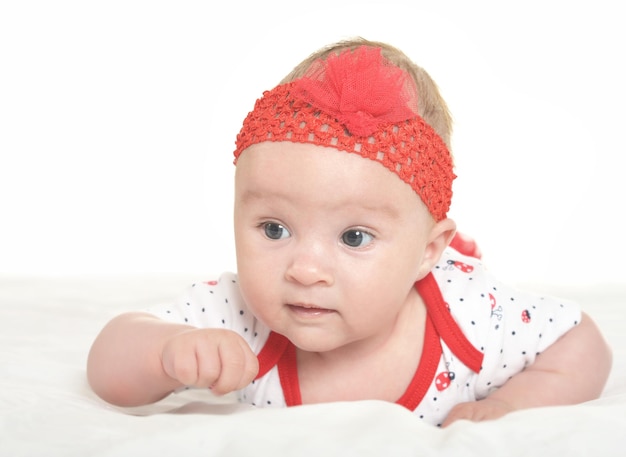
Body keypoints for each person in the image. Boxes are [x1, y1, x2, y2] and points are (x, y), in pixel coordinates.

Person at [87, 37, 612, 427]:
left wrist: (507, 407)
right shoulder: (235, 316)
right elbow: (109, 365)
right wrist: (166, 351)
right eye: (274, 228)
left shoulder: (469, 313)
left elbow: (582, 343)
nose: (305, 269)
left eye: (354, 237)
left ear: (428, 251)